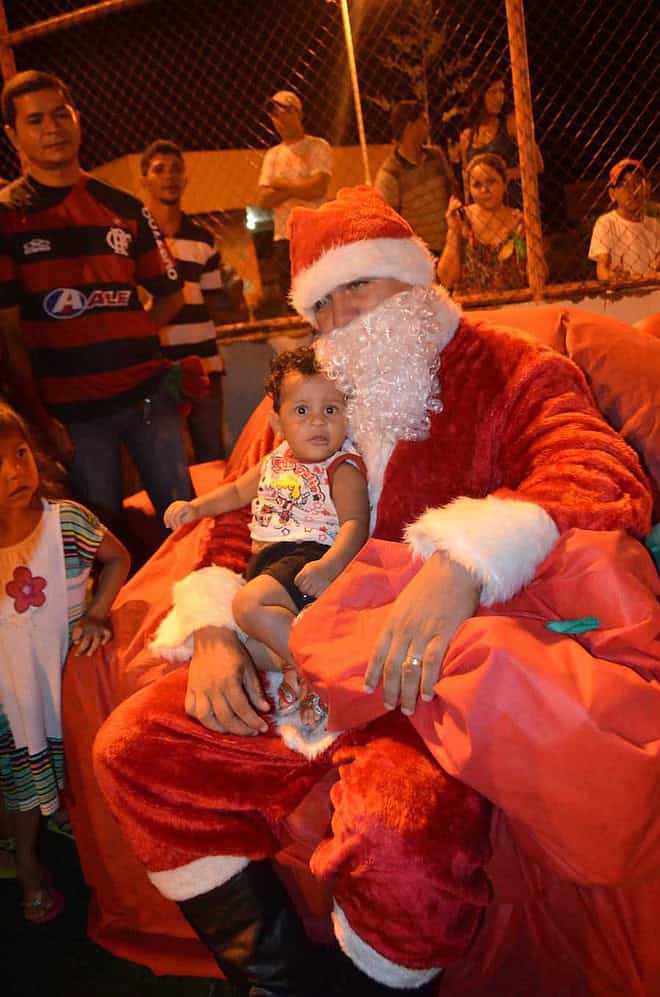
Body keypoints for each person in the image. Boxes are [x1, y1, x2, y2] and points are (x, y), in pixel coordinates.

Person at [94, 186, 653, 997]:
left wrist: (461, 563)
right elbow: (244, 521)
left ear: (414, 277)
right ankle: (280, 982)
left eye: (358, 285)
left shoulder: (509, 368)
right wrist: (212, 626)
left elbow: (593, 468)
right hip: (294, 661)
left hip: (419, 684)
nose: (341, 318)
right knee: (135, 750)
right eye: (321, 303)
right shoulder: (312, 394)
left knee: (401, 838)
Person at [0, 71, 194, 532]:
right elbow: (8, 331)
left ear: (77, 119)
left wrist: (128, 333)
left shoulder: (124, 206)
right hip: (71, 414)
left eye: (60, 114)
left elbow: (171, 295)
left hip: (148, 397)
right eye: (35, 120)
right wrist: (39, 417)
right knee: (97, 538)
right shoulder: (7, 217)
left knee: (186, 521)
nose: (52, 128)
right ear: (13, 135)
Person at [162, 345, 369, 733]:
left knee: (246, 606)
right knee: (250, 640)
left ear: (348, 416)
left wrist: (330, 566)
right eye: (302, 411)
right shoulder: (275, 460)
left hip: (310, 558)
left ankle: (316, 673)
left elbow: (356, 523)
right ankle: (300, 662)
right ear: (278, 423)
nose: (317, 421)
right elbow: (235, 492)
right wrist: (196, 506)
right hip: (269, 564)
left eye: (331, 410)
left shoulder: (341, 466)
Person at [0, 402, 129, 923]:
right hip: (13, 699)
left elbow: (117, 558)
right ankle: (28, 868)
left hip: (69, 687)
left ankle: (94, 852)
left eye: (20, 454)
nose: (14, 472)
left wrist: (97, 613)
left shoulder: (67, 522)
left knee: (80, 772)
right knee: (22, 793)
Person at [141, 139, 235, 462]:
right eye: (159, 170)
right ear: (144, 180)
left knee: (212, 456)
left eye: (176, 169)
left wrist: (234, 298)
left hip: (205, 363)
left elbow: (213, 302)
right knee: (168, 461)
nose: (169, 176)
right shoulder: (135, 239)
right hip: (158, 367)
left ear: (185, 179)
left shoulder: (202, 238)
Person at [257, 91, 332, 310]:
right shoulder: (272, 155)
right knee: (293, 304)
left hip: (315, 234)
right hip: (284, 239)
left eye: (283, 113)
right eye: (274, 116)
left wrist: (282, 185)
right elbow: (263, 199)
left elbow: (318, 188)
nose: (278, 120)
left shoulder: (317, 146)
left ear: (297, 113)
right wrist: (301, 187)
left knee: (323, 299)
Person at [374, 100, 457, 255]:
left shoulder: (436, 156)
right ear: (410, 127)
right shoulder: (390, 174)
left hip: (449, 245)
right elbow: (387, 221)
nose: (428, 126)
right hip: (419, 252)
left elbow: (453, 191)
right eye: (423, 121)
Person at [437, 153, 527, 293]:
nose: (485, 190)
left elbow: (537, 275)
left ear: (504, 183)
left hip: (514, 301)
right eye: (477, 185)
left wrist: (525, 240)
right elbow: (446, 280)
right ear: (469, 189)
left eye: (491, 182)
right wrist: (453, 231)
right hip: (470, 302)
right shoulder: (462, 219)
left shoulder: (517, 220)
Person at [459, 68, 543, 208]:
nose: (499, 98)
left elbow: (538, 164)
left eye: (502, 91)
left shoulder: (511, 123)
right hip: (483, 209)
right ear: (477, 96)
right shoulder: (467, 136)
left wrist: (506, 174)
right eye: (493, 92)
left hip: (511, 204)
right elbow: (467, 180)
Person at [589, 158, 660, 281]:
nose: (631, 190)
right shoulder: (606, 223)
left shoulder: (654, 225)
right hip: (622, 292)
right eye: (623, 184)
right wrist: (612, 276)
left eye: (637, 182)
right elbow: (602, 270)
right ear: (612, 194)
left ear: (646, 188)